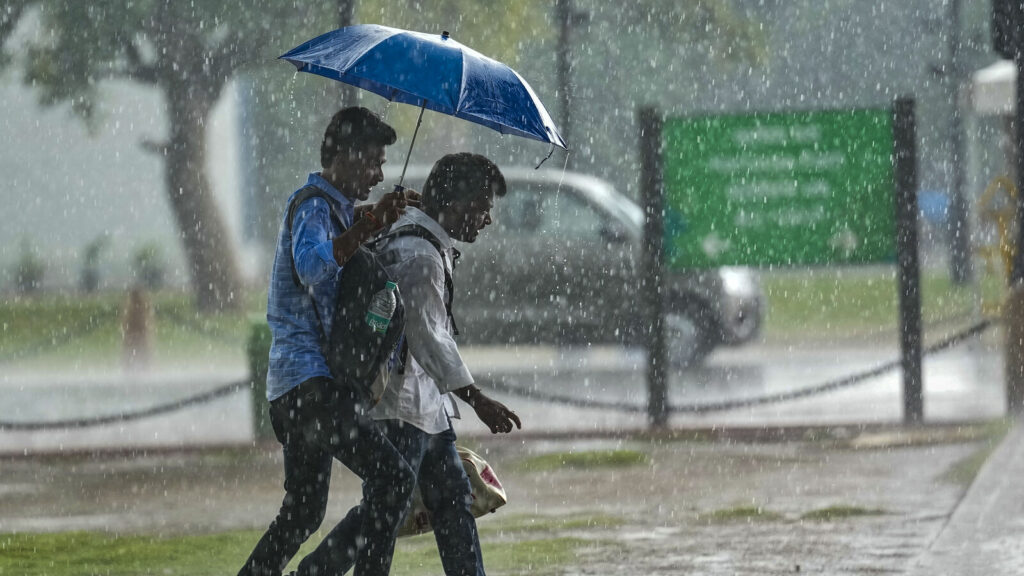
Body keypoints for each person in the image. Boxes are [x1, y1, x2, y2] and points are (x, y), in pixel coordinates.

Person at [239, 106, 421, 576]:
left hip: (293, 393)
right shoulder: (314, 206)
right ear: (346, 156)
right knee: (395, 478)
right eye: (375, 162)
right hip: (312, 389)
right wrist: (364, 227)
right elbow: (312, 266)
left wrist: (372, 221)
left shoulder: (331, 210)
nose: (380, 173)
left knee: (303, 513)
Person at [324, 152, 522, 576]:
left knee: (450, 502)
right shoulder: (422, 256)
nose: (487, 220)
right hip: (402, 404)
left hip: (423, 404)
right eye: (483, 207)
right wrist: (478, 400)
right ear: (456, 202)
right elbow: (428, 336)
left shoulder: (411, 233)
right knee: (386, 511)